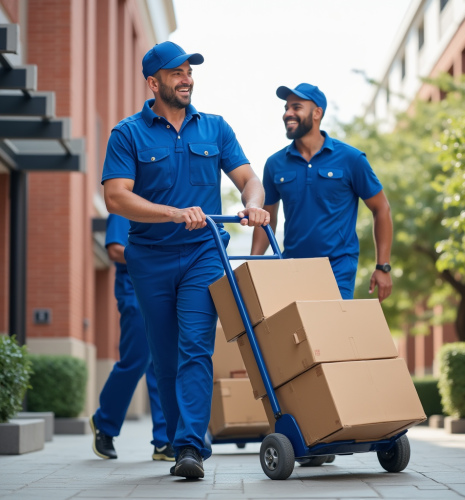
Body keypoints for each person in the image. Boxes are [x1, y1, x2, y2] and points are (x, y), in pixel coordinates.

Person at [101, 41, 269, 479]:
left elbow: (249, 179)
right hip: (150, 259)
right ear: (154, 82)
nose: (187, 78)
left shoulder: (214, 128)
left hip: (203, 254)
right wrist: (174, 213)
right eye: (177, 73)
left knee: (196, 346)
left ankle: (191, 447)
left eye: (189, 71)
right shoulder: (128, 133)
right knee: (165, 357)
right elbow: (116, 196)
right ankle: (179, 438)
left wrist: (254, 204)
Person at [251, 83, 393, 302]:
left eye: (296, 107)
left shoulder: (351, 159)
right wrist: (253, 264)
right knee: (295, 335)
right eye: (286, 108)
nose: (288, 113)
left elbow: (381, 208)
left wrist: (382, 266)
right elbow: (266, 219)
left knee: (333, 332)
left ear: (317, 113)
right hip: (292, 269)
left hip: (337, 268)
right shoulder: (275, 164)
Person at [90, 214, 174, 462]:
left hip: (163, 287)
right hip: (135, 289)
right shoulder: (124, 205)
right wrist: (154, 258)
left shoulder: (163, 201)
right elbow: (115, 250)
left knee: (164, 362)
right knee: (137, 359)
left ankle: (164, 439)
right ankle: (104, 422)